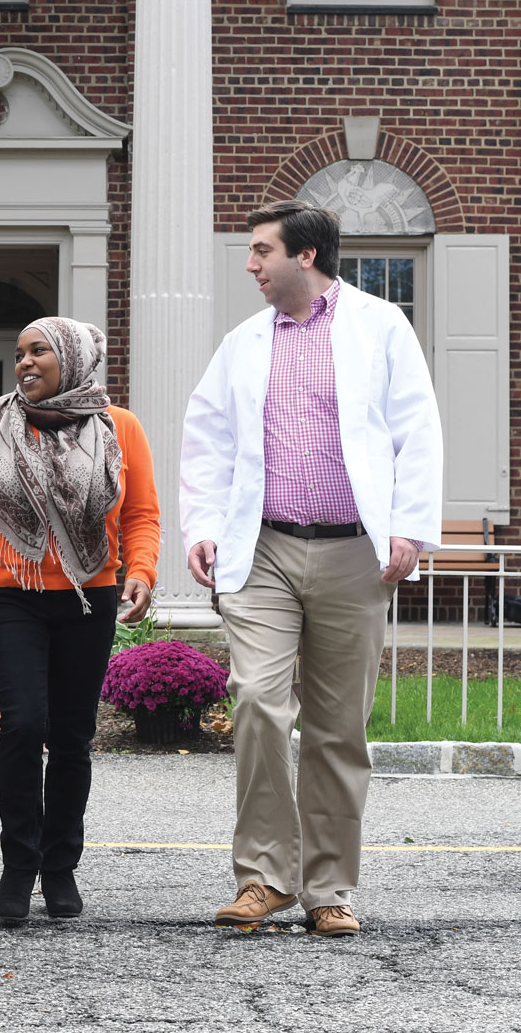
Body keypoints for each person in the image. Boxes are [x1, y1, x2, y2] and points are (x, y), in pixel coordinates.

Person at [179, 200, 442, 937]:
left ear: (306, 256)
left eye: (261, 250)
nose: (250, 263)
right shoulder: (241, 342)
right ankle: (264, 877)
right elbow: (207, 438)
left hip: (357, 553)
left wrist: (411, 529)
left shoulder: (381, 326)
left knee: (339, 726)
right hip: (262, 550)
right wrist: (203, 525)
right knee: (259, 700)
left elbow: (417, 428)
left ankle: (329, 887)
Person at [0, 317, 160, 921]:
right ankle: (18, 863)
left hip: (91, 596)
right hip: (12, 592)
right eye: (19, 354)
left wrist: (140, 570)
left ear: (75, 357)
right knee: (23, 723)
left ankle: (60, 868)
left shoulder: (121, 428)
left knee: (71, 736)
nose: (24, 363)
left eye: (39, 351)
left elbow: (140, 513)